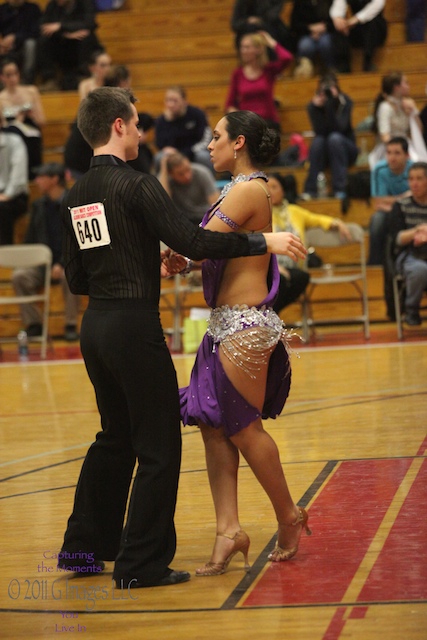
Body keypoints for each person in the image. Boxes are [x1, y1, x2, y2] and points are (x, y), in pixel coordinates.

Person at [58, 87, 306, 589]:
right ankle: (140, 562)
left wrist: (148, 263)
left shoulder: (76, 194)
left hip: (96, 328)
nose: (143, 132)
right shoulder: (138, 185)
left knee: (114, 437)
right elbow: (192, 240)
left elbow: (77, 279)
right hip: (134, 325)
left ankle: (86, 548)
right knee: (158, 444)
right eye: (137, 122)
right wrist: (263, 241)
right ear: (120, 127)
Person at [179, 111, 310, 577]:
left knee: (242, 427)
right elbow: (213, 251)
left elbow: (200, 243)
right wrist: (185, 260)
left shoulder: (250, 188)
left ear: (237, 143)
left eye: (214, 138)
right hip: (223, 326)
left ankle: (289, 515)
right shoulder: (232, 191)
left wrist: (183, 251)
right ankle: (228, 530)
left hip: (243, 327)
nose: (208, 146)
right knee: (215, 427)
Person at [12, 162, 80, 341]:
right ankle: (35, 324)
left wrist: (62, 263)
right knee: (19, 276)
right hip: (43, 264)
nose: (37, 181)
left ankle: (70, 324)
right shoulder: (38, 206)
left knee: (70, 276)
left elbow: (77, 241)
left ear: (55, 179)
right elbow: (30, 239)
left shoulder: (73, 202)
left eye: (41, 177)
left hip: (69, 263)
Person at [268, 173, 350, 314]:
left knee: (302, 277)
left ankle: (271, 316)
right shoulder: (261, 212)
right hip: (270, 266)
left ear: (283, 190)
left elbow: (317, 219)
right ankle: (271, 320)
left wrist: (337, 223)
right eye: (266, 187)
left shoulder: (294, 211)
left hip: (293, 265)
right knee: (279, 279)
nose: (269, 191)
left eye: (274, 187)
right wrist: (276, 266)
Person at [302, 72, 358, 199]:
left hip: (346, 149)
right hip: (325, 151)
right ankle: (310, 189)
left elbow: (340, 128)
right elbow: (320, 131)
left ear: (337, 88)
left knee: (334, 138)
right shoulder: (313, 106)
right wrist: (316, 109)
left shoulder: (345, 102)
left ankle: (340, 189)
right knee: (318, 141)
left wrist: (330, 106)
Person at [225, 30, 293, 133]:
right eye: (242, 47)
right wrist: (238, 119)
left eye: (247, 47)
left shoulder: (268, 70)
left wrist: (270, 42)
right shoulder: (238, 74)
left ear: (258, 49)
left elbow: (287, 58)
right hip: (246, 125)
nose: (243, 51)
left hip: (267, 123)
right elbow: (229, 104)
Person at [389, 162, 427, 326]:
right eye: (411, 179)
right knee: (420, 269)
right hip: (410, 255)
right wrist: (418, 230)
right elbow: (397, 238)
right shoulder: (400, 205)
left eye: (419, 178)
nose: (414, 183)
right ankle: (411, 309)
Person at [37, 0, 102, 91]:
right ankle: (50, 79)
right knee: (43, 40)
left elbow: (90, 24)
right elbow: (45, 27)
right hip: (61, 43)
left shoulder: (85, 3)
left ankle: (82, 75)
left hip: (79, 44)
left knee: (87, 36)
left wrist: (62, 26)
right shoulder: (52, 5)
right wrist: (66, 34)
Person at [369, 136, 412, 267]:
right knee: (377, 220)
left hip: (411, 210)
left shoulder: (415, 169)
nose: (392, 157)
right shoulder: (379, 169)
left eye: (397, 153)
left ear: (407, 155)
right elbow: (379, 202)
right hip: (389, 211)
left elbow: (419, 198)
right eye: (388, 153)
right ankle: (375, 265)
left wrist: (391, 200)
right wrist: (405, 196)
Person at [369, 72, 427, 169]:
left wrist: (413, 111)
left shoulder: (405, 105)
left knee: (421, 162)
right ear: (397, 87)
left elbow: (419, 131)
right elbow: (385, 137)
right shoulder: (385, 107)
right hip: (390, 148)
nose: (409, 86)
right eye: (406, 83)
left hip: (406, 145)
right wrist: (399, 150)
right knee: (413, 162)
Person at [0, 57, 44, 178]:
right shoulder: (1, 98)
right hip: (12, 138)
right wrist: (17, 120)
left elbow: (42, 121)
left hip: (32, 134)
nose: (13, 78)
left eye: (15, 73)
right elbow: (2, 127)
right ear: (2, 77)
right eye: (8, 75)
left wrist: (31, 114)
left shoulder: (31, 91)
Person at [154, 85, 212, 172]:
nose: (171, 104)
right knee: (159, 158)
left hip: (194, 151)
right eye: (168, 100)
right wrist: (169, 122)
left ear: (184, 101)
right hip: (173, 154)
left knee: (203, 156)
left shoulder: (197, 114)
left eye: (175, 101)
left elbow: (205, 139)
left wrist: (184, 153)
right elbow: (160, 143)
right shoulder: (162, 120)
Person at [158, 151, 220, 225]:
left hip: (205, 217)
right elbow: (163, 202)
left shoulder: (201, 172)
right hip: (183, 222)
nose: (187, 176)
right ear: (170, 174)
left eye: (188, 169)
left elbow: (216, 204)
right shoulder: (166, 180)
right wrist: (164, 169)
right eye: (180, 174)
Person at [329, 0, 387, 72]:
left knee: (373, 23)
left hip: (376, 28)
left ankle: (368, 62)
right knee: (339, 26)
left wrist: (357, 18)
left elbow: (377, 5)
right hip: (357, 27)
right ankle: (344, 65)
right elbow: (338, 5)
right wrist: (337, 18)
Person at [289, 0, 335, 78]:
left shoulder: (328, 2)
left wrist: (322, 28)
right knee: (305, 46)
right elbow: (294, 25)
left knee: (326, 43)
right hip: (305, 34)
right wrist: (310, 28)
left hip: (325, 32)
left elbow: (333, 22)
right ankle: (304, 70)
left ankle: (330, 68)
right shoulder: (300, 2)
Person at [0, 0, 41, 84]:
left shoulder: (33, 8)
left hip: (25, 46)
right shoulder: (2, 9)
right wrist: (1, 44)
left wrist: (15, 37)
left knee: (30, 44)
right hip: (6, 47)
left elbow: (36, 32)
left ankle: (27, 80)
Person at [0, 125, 28, 245]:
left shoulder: (14, 141)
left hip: (14, 196)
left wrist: (7, 195)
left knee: (2, 209)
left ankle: (5, 256)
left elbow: (19, 177)